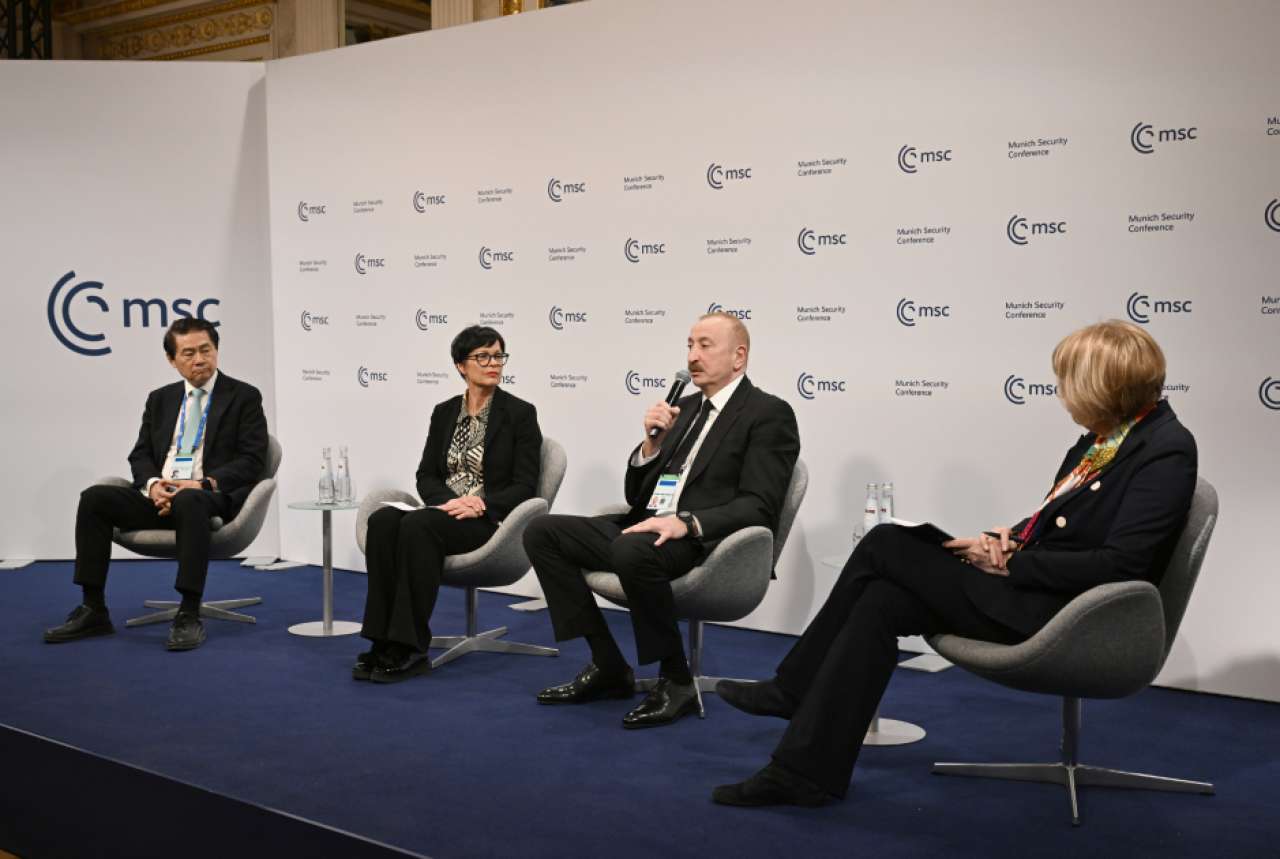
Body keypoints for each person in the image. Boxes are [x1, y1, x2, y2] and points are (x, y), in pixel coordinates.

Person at [712, 319, 1198, 806]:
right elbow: (1058, 517)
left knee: (885, 542)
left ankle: (792, 688)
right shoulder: (1105, 439)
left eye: (1067, 381)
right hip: (1035, 589)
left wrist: (1011, 566)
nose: (1060, 393)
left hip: (1067, 615)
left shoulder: (1165, 449)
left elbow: (1121, 565)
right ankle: (804, 773)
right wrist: (1010, 538)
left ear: (1103, 384)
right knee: (881, 599)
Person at [524, 311, 800, 729]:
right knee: (543, 531)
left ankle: (676, 681)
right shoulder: (682, 408)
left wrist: (687, 522)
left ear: (739, 356)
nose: (693, 355)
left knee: (633, 549)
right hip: (644, 528)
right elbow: (637, 496)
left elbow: (760, 506)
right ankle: (608, 665)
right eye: (689, 345)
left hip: (704, 541)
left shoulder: (768, 413)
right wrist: (650, 447)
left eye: (705, 345)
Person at [44, 318, 269, 652]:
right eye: (189, 353)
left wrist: (201, 484)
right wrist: (152, 486)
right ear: (172, 359)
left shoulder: (243, 396)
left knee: (189, 500)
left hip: (208, 498)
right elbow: (141, 455)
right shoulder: (160, 399)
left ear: (216, 350)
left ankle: (188, 613)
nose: (199, 360)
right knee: (94, 498)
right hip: (160, 498)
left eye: (206, 350)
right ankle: (93, 609)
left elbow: (252, 459)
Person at [356, 325, 542, 683]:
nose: (493, 363)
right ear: (460, 365)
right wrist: (452, 503)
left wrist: (480, 504)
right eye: (483, 356)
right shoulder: (444, 412)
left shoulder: (520, 413)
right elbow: (426, 475)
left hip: (489, 522)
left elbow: (525, 486)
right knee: (382, 521)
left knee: (417, 525)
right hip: (447, 512)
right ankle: (381, 640)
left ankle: (409, 646)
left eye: (498, 356)